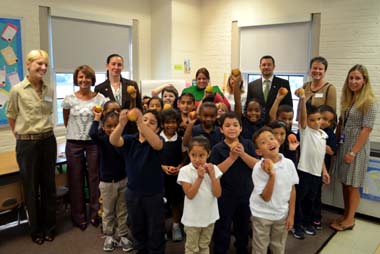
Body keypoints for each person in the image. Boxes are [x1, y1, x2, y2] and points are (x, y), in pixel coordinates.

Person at [6, 49, 57, 245]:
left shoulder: (50, 90)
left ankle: (50, 227)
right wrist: (21, 136)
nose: (43, 68)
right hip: (27, 144)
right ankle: (35, 230)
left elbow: (47, 113)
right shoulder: (17, 90)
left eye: (45, 64)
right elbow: (11, 116)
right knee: (30, 188)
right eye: (39, 64)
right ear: (28, 65)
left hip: (48, 141)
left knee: (48, 186)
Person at [110, 108, 166, 253]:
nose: (146, 124)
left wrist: (141, 121)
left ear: (158, 129)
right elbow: (114, 140)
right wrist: (121, 124)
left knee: (155, 230)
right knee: (137, 227)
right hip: (133, 193)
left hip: (154, 194)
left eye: (152, 123)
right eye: (145, 119)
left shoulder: (158, 140)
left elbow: (157, 145)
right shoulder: (130, 140)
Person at [330, 64, 378, 231]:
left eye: (357, 78)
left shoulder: (369, 101)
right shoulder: (348, 99)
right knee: (345, 182)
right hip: (344, 144)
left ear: (364, 80)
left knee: (353, 184)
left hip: (356, 147)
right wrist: (335, 143)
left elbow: (367, 129)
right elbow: (342, 123)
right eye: (351, 78)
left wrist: (353, 151)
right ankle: (345, 215)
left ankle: (350, 219)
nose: (354, 81)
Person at [62, 65, 107, 231]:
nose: (84, 80)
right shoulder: (68, 99)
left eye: (87, 77)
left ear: (92, 79)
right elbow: (67, 120)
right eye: (81, 77)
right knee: (75, 179)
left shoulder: (101, 99)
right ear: (76, 79)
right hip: (73, 142)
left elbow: (105, 120)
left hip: (94, 142)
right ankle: (78, 217)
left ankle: (96, 214)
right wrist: (76, 133)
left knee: (95, 178)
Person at [210, 112, 258, 254]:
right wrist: (232, 158)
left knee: (242, 225)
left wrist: (242, 154)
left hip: (245, 193)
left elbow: (257, 165)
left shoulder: (248, 144)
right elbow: (215, 171)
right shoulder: (218, 148)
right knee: (222, 225)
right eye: (227, 125)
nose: (232, 128)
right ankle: (220, 249)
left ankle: (241, 248)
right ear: (221, 129)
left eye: (235, 125)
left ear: (241, 128)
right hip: (224, 195)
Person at [89, 110, 134, 252]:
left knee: (122, 211)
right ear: (103, 127)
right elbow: (92, 134)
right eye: (109, 126)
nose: (112, 129)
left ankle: (123, 235)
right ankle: (109, 236)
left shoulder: (124, 139)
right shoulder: (102, 139)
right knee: (108, 211)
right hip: (107, 183)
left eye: (116, 126)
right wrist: (96, 118)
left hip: (123, 181)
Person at [250, 127, 299, 254]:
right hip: (261, 215)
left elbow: (292, 190)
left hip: (281, 214)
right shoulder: (258, 168)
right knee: (260, 248)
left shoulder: (289, 164)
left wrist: (291, 215)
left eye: (271, 138)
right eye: (264, 142)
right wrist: (272, 175)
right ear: (259, 151)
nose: (270, 142)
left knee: (278, 247)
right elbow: (265, 197)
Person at [291, 90, 330, 240]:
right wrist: (302, 99)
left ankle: (307, 223)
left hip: (316, 174)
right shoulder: (306, 131)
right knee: (300, 199)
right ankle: (296, 224)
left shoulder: (323, 135)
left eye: (319, 119)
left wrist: (324, 172)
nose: (316, 122)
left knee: (311, 200)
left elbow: (321, 156)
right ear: (307, 121)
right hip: (304, 172)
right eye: (312, 120)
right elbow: (302, 116)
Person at [177, 136, 222, 254]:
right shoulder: (185, 171)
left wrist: (212, 176)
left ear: (209, 154)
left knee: (204, 246)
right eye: (193, 155)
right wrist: (200, 177)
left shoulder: (214, 169)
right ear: (188, 153)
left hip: (210, 217)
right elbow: (190, 194)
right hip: (192, 220)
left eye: (201, 155)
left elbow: (217, 194)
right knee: (192, 248)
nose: (197, 159)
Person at [95, 53, 142, 134]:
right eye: (113, 64)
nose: (116, 67)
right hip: (109, 130)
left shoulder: (132, 85)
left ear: (122, 67)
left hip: (129, 129)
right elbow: (100, 113)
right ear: (107, 66)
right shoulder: (100, 88)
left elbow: (139, 108)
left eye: (119, 65)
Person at [159, 109, 186, 242]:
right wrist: (163, 167)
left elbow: (185, 157)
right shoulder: (157, 138)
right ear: (162, 124)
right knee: (161, 204)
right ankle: (161, 229)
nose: (171, 125)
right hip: (160, 177)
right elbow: (153, 158)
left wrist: (180, 167)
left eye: (173, 122)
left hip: (176, 176)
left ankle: (176, 226)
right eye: (167, 123)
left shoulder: (180, 139)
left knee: (176, 202)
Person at [246, 55, 292, 123]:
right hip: (257, 125)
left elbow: (288, 106)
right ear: (260, 67)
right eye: (264, 65)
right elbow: (248, 107)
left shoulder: (283, 84)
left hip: (276, 124)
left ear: (274, 67)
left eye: (269, 65)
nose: (266, 67)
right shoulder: (252, 85)